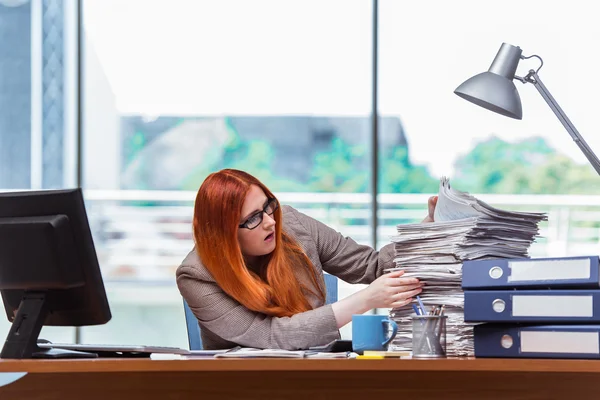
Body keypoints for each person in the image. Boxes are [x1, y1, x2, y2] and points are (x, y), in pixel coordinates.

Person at [176, 169, 438, 350]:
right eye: (253, 218)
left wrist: (428, 228)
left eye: (268, 206)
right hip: (243, 387)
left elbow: (374, 266)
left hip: (315, 375)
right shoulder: (196, 274)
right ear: (223, 234)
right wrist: (366, 299)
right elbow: (270, 336)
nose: (270, 222)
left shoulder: (290, 223)